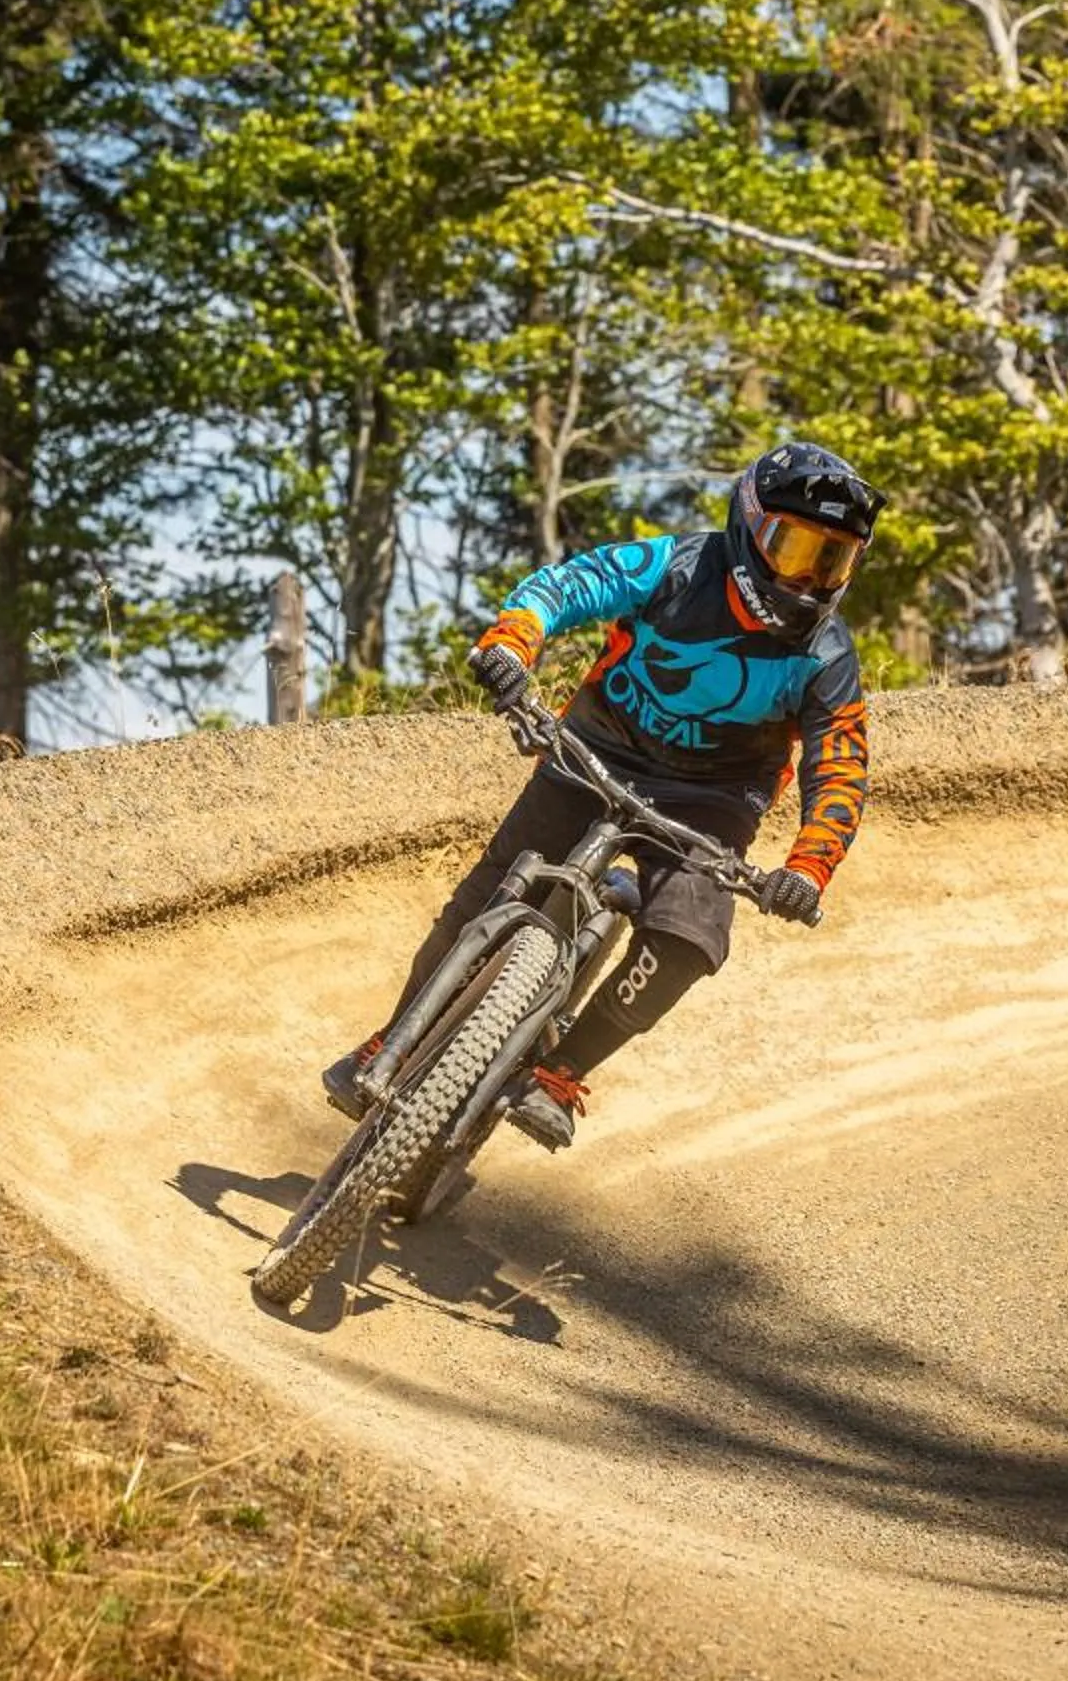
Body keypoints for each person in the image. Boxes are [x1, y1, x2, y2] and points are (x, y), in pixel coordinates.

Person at [323, 440, 882, 1151]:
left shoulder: (827, 654)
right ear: (747, 526)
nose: (809, 577)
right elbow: (567, 585)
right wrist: (514, 642)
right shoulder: (678, 565)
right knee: (487, 896)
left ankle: (559, 1073)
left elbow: (840, 770)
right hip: (593, 752)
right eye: (795, 546)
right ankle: (392, 1040)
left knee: (687, 941)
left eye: (831, 558)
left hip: (711, 805)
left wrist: (807, 870)